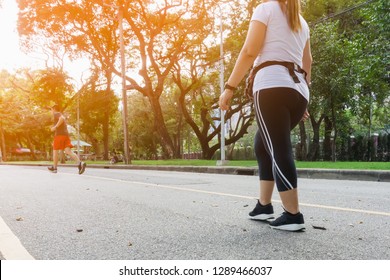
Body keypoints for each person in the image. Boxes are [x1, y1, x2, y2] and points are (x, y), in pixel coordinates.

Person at [219, 0, 312, 231]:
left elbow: (250, 51)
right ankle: (264, 206)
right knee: (262, 143)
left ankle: (293, 215)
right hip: (299, 91)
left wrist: (229, 87)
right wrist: (304, 96)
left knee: (279, 147)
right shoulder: (301, 21)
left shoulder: (265, 9)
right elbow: (307, 61)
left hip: (272, 86)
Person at [48, 104, 87, 174]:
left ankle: (55, 168)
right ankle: (80, 163)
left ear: (54, 109)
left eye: (51, 109)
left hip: (59, 135)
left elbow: (62, 118)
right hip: (66, 135)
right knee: (68, 151)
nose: (51, 111)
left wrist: (55, 127)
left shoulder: (56, 114)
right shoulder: (58, 114)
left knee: (55, 151)